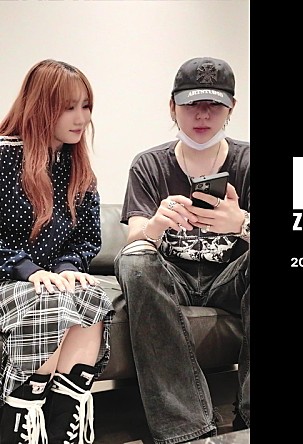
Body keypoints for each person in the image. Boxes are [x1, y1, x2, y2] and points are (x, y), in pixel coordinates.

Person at [114, 56, 250, 443]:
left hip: (230, 280)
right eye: (191, 104)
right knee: (134, 260)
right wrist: (156, 225)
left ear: (231, 108)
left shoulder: (247, 161)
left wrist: (240, 223)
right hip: (169, 278)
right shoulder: (149, 165)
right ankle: (186, 428)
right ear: (172, 106)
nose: (202, 115)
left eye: (213, 105)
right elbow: (136, 239)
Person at [0, 59, 114, 444]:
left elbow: (87, 238)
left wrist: (68, 266)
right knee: (51, 300)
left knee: (90, 294)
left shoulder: (77, 166)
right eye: (69, 107)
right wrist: (28, 269)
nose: (81, 118)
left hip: (48, 282)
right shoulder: (4, 157)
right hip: (9, 278)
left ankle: (65, 429)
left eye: (86, 106)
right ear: (40, 106)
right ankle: (23, 420)